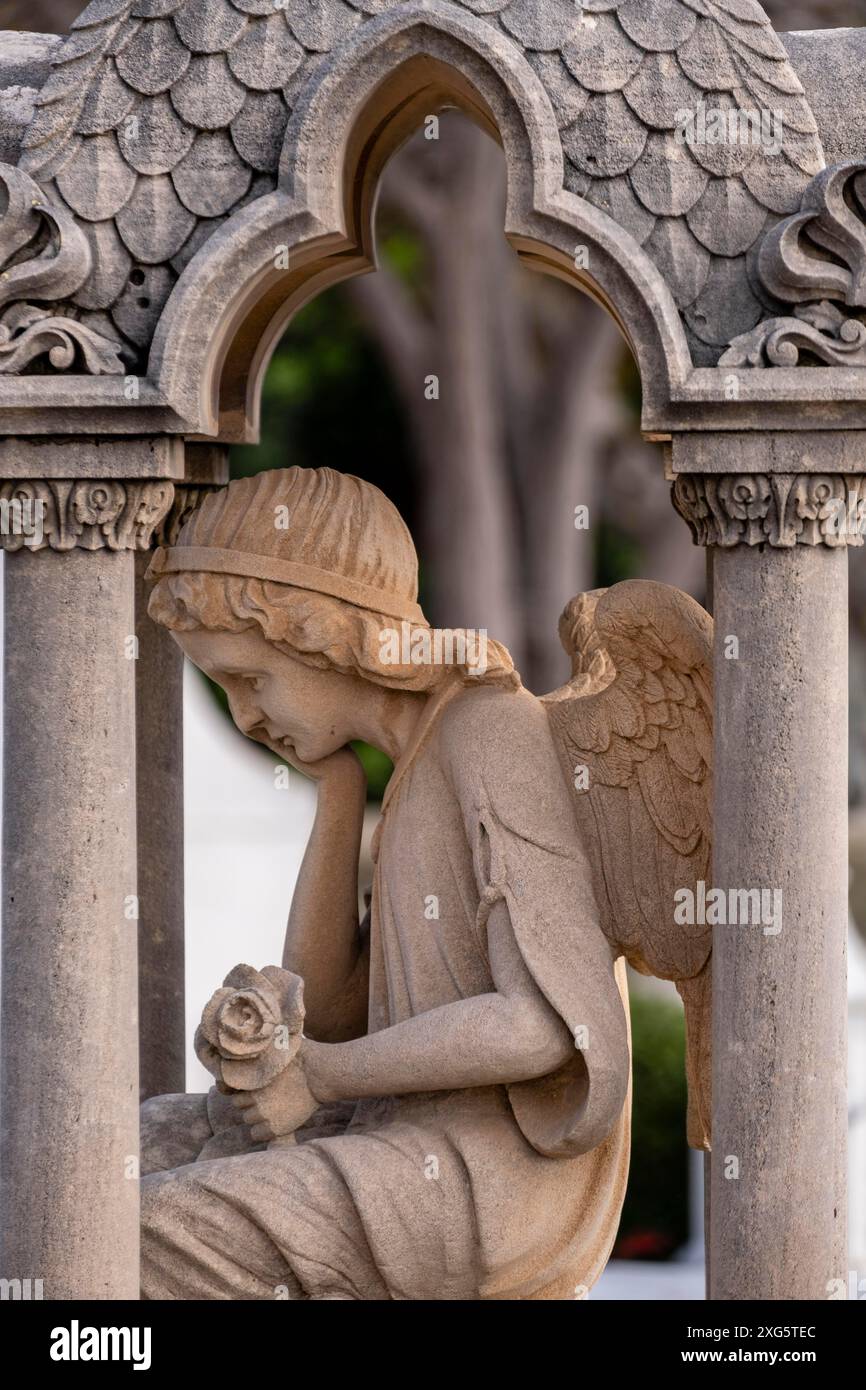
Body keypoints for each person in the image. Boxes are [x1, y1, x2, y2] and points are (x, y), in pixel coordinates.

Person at [139, 465, 631, 1301]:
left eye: (248, 679)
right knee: (129, 1145)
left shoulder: (490, 730)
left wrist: (322, 1077)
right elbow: (328, 1012)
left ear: (325, 636)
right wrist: (336, 796)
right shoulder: (412, 766)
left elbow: (545, 1026)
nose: (245, 718)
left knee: (127, 1228)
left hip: (486, 1185)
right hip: (398, 1142)